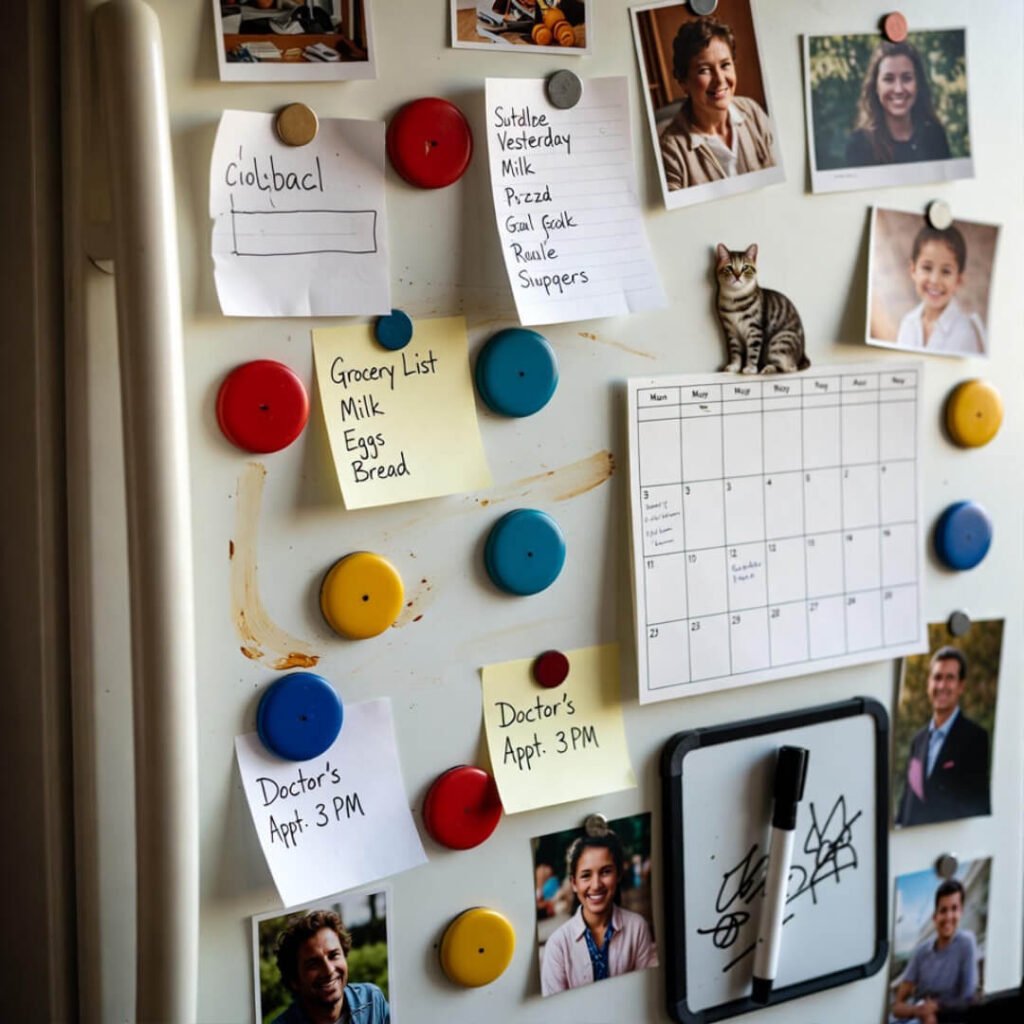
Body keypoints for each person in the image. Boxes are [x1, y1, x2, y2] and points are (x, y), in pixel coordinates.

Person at [658, 16, 776, 191]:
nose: (720, 80)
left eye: (725, 65)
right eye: (704, 70)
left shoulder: (752, 111)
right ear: (683, 82)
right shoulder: (671, 150)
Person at [540, 830, 658, 995]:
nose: (596, 885)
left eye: (605, 872)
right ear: (574, 883)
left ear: (618, 875)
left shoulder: (637, 927)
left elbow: (648, 991)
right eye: (586, 875)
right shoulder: (557, 945)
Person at [897, 647, 991, 827]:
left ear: (961, 686)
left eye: (950, 678)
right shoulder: (918, 740)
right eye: (937, 677)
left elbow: (977, 806)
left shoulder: (975, 738)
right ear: (928, 683)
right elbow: (907, 802)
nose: (941, 686)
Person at [845, 40, 951, 166]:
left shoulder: (934, 136)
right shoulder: (860, 145)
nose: (899, 89)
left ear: (918, 84)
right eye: (889, 79)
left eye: (907, 78)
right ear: (875, 87)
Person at [272, 910, 389, 1024]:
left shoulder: (372, 1001)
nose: (328, 970)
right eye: (313, 964)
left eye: (333, 955)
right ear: (294, 980)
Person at [891, 879, 978, 1023]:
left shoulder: (966, 943)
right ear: (935, 916)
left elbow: (967, 998)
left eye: (954, 909)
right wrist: (919, 1010)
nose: (948, 917)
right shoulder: (921, 952)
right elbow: (897, 1007)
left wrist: (936, 1006)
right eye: (943, 910)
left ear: (961, 912)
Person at [895, 224, 985, 354]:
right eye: (927, 268)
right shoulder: (907, 323)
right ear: (913, 270)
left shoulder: (965, 332)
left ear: (959, 279)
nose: (935, 280)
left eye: (946, 271)